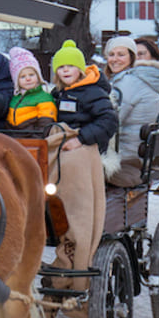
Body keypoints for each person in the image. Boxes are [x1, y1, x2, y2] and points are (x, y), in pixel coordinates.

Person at [44, 40, 117, 294]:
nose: (65, 70)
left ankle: (76, 253)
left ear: (80, 69)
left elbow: (108, 121)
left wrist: (81, 138)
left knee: (71, 166)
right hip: (60, 143)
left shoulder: (92, 92)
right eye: (60, 67)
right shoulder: (56, 94)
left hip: (83, 147)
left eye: (70, 66)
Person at [102, 35, 159, 187]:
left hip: (127, 158)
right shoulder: (138, 79)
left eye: (121, 55)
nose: (114, 59)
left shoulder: (127, 84)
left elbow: (111, 122)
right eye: (111, 54)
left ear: (132, 57)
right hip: (140, 153)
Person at [5, 46, 56, 135]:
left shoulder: (44, 97)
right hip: (16, 137)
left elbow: (46, 122)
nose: (28, 79)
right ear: (16, 80)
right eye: (23, 76)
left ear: (38, 76)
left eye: (31, 75)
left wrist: (37, 137)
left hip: (33, 138)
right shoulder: (15, 98)